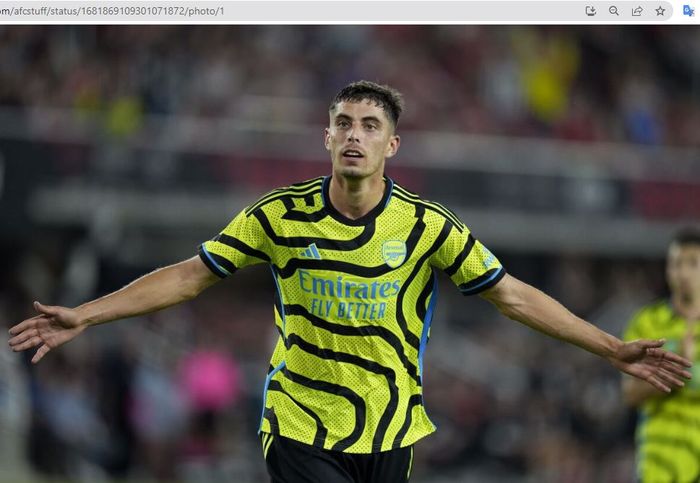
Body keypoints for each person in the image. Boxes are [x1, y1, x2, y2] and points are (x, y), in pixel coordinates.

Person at [8, 81, 692, 483]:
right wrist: (87, 314)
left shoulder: (427, 226)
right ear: (328, 137)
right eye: (344, 123)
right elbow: (190, 276)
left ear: (392, 144)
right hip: (300, 425)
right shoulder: (279, 214)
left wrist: (612, 346)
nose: (354, 134)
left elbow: (511, 294)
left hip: (392, 436)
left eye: (370, 125)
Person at [621, 227, 700, 483]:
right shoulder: (646, 323)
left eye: (693, 263)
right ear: (668, 269)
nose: (684, 273)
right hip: (659, 461)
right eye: (676, 263)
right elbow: (630, 394)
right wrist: (675, 371)